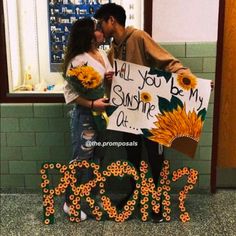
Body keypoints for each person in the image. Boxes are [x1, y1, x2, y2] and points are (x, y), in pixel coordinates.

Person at [94, 3, 193, 223]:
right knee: (132, 159)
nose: (100, 28)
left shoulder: (138, 37)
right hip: (128, 115)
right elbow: (115, 87)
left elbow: (167, 61)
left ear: (112, 20)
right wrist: (110, 79)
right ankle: (136, 195)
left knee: (156, 159)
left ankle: (159, 201)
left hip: (150, 113)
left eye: (101, 22)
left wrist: (189, 81)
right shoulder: (112, 51)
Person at [62, 17, 113, 221]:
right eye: (98, 29)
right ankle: (70, 203)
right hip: (85, 117)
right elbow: (70, 94)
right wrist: (92, 104)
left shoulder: (101, 54)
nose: (102, 31)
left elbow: (104, 81)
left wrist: (110, 78)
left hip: (102, 116)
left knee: (97, 159)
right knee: (82, 161)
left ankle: (90, 197)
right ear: (89, 34)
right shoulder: (78, 60)